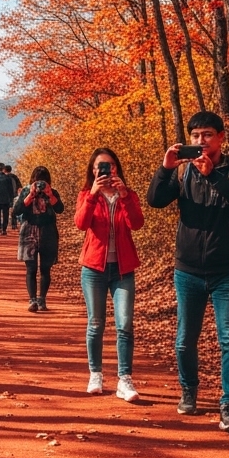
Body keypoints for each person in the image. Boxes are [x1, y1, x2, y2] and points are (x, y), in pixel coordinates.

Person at [147, 111, 229, 435]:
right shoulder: (182, 175)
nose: (200, 141)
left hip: (228, 273)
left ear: (221, 137)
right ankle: (189, 390)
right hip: (188, 270)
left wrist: (212, 176)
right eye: (195, 136)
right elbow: (155, 200)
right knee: (184, 340)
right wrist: (166, 168)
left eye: (207, 135)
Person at [75, 147, 144, 400]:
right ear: (92, 171)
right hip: (94, 268)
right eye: (100, 167)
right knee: (96, 323)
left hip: (123, 270)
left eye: (110, 165)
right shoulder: (86, 194)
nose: (106, 170)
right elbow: (81, 223)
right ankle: (96, 373)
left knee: (124, 324)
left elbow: (136, 224)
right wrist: (93, 194)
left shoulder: (128, 195)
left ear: (117, 168)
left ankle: (124, 380)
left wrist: (124, 195)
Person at [12, 165, 64, 312]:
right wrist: (30, 195)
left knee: (46, 269)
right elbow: (16, 211)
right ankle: (32, 299)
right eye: (37, 181)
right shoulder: (26, 192)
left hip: (48, 232)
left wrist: (50, 194)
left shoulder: (52, 192)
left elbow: (60, 209)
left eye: (43, 181)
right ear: (32, 181)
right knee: (31, 268)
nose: (40, 184)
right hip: (29, 231)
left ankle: (42, 299)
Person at [0, 163, 17, 235]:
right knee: (5, 215)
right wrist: (11, 198)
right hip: (6, 199)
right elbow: (11, 189)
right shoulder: (7, 178)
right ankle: (4, 229)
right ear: (3, 168)